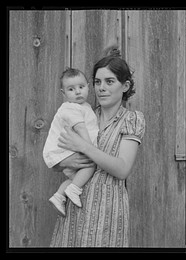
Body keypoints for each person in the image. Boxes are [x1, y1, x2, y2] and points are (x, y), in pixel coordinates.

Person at [50, 45, 145, 247]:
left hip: (107, 211)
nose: (101, 87)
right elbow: (58, 157)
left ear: (125, 86)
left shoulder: (131, 119)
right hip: (75, 204)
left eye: (110, 81)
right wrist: (67, 160)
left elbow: (122, 169)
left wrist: (83, 146)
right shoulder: (82, 115)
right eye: (97, 82)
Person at [43, 67, 99, 216]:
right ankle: (73, 189)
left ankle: (59, 195)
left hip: (69, 151)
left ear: (88, 86)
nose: (78, 92)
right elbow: (80, 128)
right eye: (71, 89)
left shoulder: (85, 107)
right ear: (63, 93)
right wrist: (92, 150)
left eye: (81, 87)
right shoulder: (70, 108)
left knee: (78, 177)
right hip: (62, 151)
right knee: (91, 164)